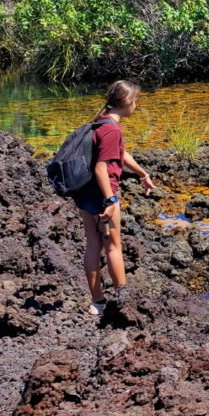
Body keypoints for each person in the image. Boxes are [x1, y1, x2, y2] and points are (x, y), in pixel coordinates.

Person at [72, 80, 156, 315]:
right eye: (136, 101)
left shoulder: (101, 121)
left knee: (93, 245)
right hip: (102, 196)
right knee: (113, 248)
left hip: (85, 193)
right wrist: (110, 202)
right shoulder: (112, 129)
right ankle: (123, 302)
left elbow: (120, 153)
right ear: (127, 102)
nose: (136, 106)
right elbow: (101, 167)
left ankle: (97, 302)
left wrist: (142, 174)